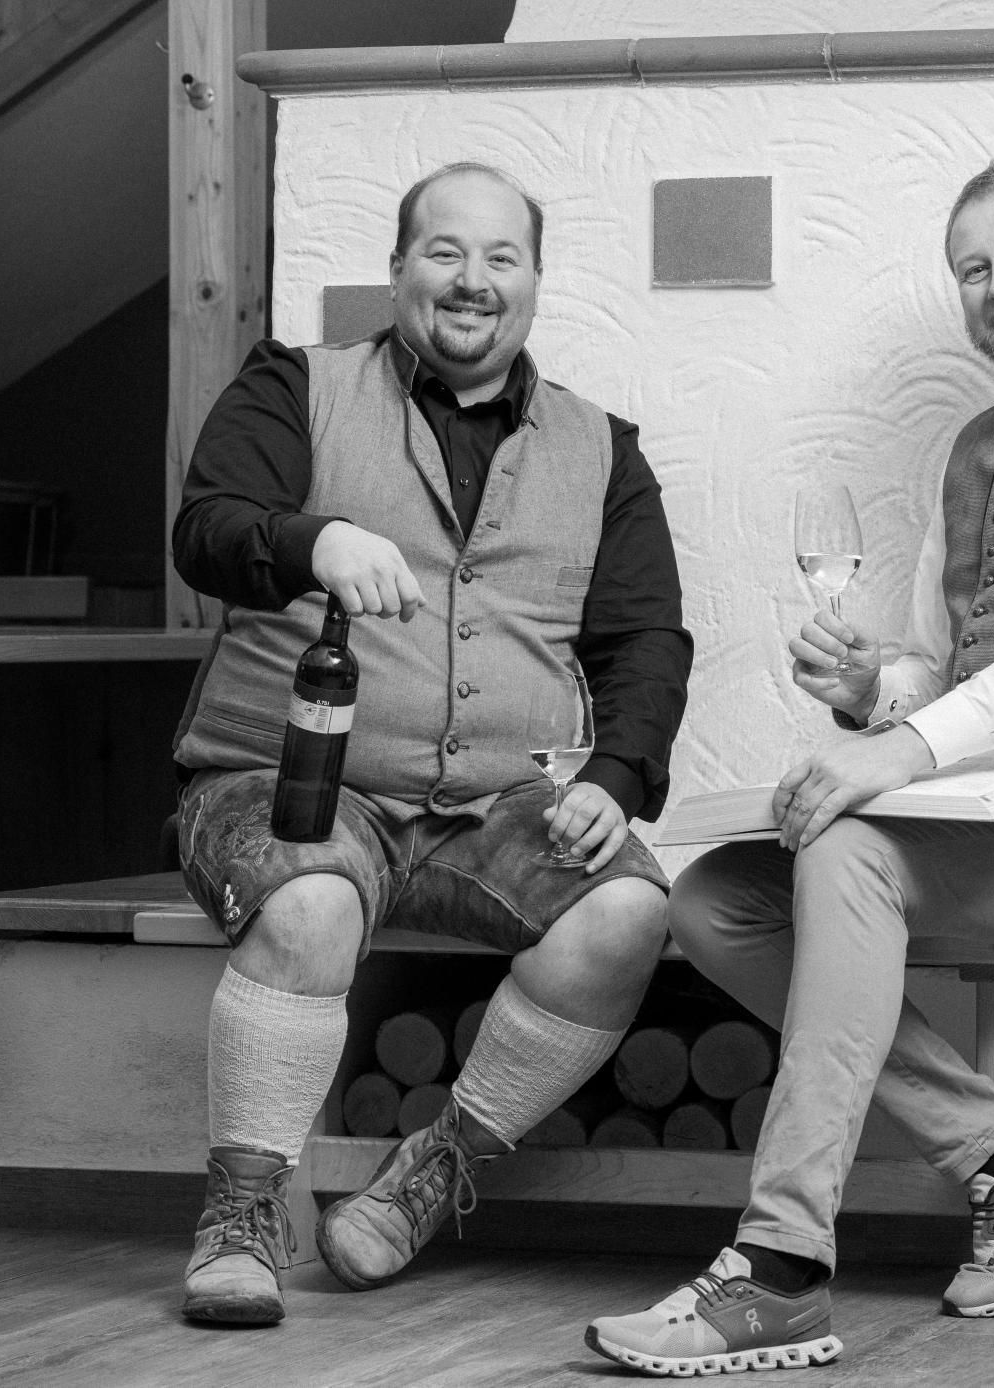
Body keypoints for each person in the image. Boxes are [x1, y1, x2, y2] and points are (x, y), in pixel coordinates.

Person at [586, 157, 994, 1375]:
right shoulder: (972, 446)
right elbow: (949, 674)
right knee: (718, 898)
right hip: (984, 806)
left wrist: (893, 749)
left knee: (845, 847)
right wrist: (872, 691)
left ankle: (780, 1266)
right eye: (971, 269)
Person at [169, 161, 692, 1326]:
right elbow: (206, 528)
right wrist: (311, 540)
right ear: (399, 266)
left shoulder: (603, 448)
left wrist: (617, 775)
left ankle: (433, 1168)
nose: (471, 279)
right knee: (311, 904)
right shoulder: (292, 385)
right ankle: (242, 1215)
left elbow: (645, 640)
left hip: (496, 803)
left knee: (628, 911)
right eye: (444, 251)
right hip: (289, 778)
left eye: (501, 256)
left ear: (535, 281)